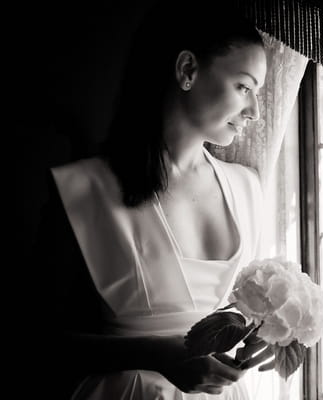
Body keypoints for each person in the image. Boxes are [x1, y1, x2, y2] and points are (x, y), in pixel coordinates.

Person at [31, 0, 274, 398]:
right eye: (244, 87)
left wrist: (254, 334)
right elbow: (36, 343)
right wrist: (157, 354)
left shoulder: (248, 187)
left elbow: (232, 311)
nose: (255, 112)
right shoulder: (84, 188)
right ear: (187, 70)